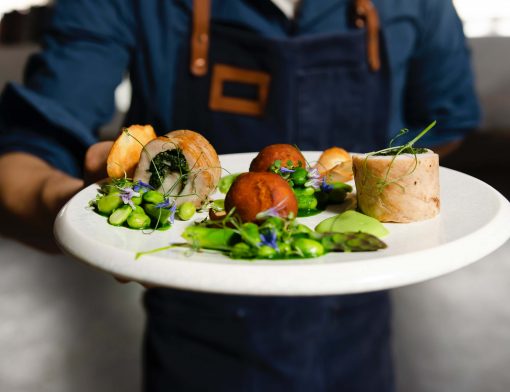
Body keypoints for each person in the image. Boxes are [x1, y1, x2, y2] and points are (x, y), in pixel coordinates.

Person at [0, 0, 480, 391]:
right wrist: (78, 211)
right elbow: (21, 157)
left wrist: (388, 188)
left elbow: (448, 117)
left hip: (358, 328)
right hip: (197, 343)